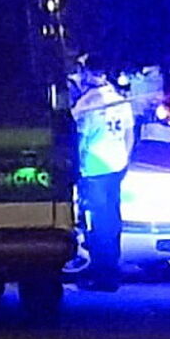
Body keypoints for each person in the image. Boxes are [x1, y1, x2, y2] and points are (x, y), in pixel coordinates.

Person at [69, 66, 135, 291]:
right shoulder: (120, 100)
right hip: (115, 166)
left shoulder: (87, 103)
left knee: (96, 222)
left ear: (88, 74)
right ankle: (111, 268)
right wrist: (125, 159)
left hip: (93, 168)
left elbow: (79, 139)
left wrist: (74, 167)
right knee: (112, 218)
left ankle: (101, 273)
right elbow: (129, 134)